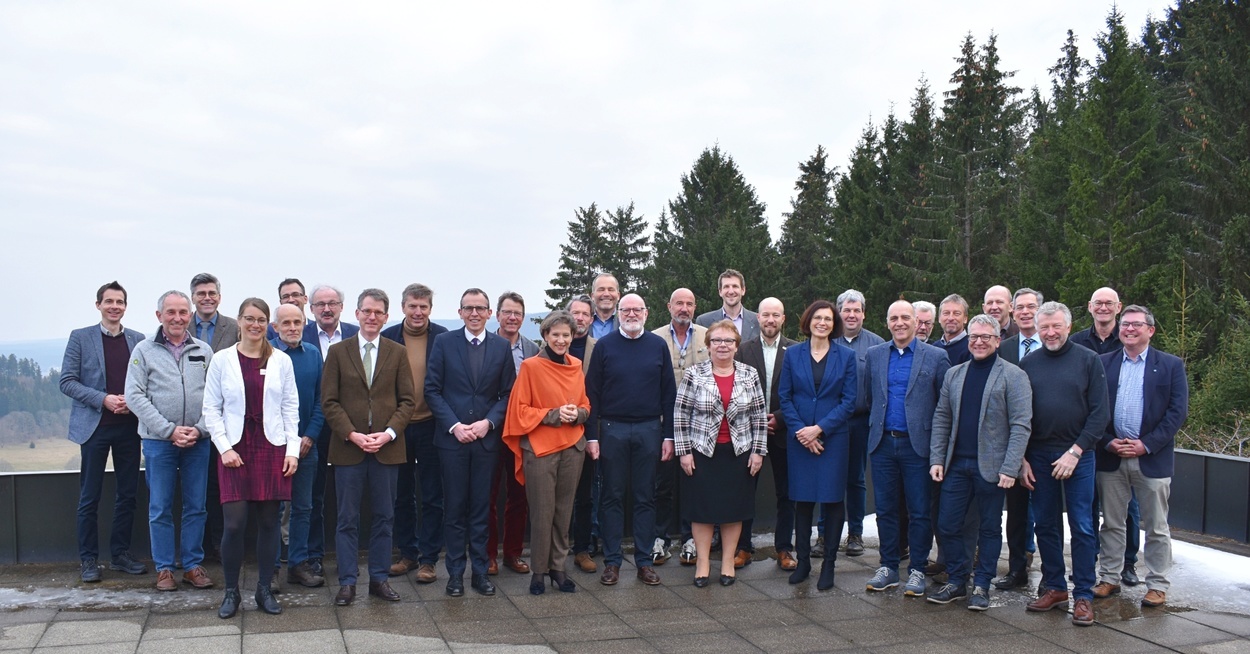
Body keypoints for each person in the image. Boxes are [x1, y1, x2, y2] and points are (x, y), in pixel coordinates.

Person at [202, 299, 301, 618]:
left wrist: (292, 451)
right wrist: (223, 448)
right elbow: (211, 409)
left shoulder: (281, 361)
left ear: (268, 324)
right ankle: (231, 593)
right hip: (234, 447)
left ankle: (263, 591)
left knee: (270, 522)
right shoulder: (222, 359)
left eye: (261, 319)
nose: (255, 325)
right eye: (249, 318)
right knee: (234, 524)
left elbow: (290, 408)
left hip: (272, 447)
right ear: (240, 321)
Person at [927, 314, 1032, 609]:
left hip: (994, 468)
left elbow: (1021, 424)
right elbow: (942, 418)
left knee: (989, 528)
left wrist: (1011, 467)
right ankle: (958, 579)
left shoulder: (1014, 375)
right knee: (947, 524)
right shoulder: (955, 374)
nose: (979, 342)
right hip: (956, 465)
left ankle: (982, 584)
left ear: (998, 341)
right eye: (974, 336)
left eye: (986, 337)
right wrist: (937, 458)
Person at [322, 289, 416, 606]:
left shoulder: (397, 352)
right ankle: (348, 582)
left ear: (386, 316)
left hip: (387, 449)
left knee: (384, 517)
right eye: (366, 311)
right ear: (357, 314)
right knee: (347, 518)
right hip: (348, 449)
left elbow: (407, 401)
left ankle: (379, 579)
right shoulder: (338, 352)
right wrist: (352, 434)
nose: (372, 317)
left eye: (378, 312)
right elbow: (329, 402)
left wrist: (388, 433)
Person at [1020, 302, 1109, 626]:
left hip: (1079, 455)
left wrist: (1075, 452)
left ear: (1069, 327)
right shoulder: (1028, 363)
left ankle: (1083, 594)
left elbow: (1100, 414)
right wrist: (1023, 459)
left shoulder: (1088, 360)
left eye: (1056, 326)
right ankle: (1055, 586)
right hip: (1039, 455)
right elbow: (1021, 416)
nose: (1050, 332)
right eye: (1045, 327)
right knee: (1044, 524)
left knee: (1083, 525)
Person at [1093, 305, 1188, 608]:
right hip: (1112, 456)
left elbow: (1177, 413)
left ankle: (1158, 584)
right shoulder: (1102, 363)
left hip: (1151, 457)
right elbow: (1093, 409)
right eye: (1125, 325)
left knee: (1156, 526)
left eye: (1136, 324)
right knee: (1111, 523)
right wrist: (1108, 442)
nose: (1129, 329)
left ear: (1151, 330)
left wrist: (1145, 445)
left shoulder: (1171, 365)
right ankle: (1109, 578)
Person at [425, 288, 516, 597]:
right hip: (452, 442)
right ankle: (453, 574)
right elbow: (432, 390)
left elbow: (507, 394)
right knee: (454, 510)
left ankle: (480, 572)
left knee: (480, 509)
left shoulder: (501, 347)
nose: (474, 313)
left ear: (490, 313)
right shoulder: (444, 343)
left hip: (485, 443)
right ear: (460, 312)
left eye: (480, 308)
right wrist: (454, 426)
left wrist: (488, 422)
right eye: (468, 308)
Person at [585, 293, 677, 587]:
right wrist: (592, 437)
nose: (632, 314)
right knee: (611, 496)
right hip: (612, 429)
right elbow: (592, 395)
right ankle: (612, 562)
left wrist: (668, 436)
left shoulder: (658, 346)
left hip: (650, 429)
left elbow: (668, 395)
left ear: (647, 314)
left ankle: (644, 562)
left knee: (644, 497)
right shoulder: (604, 347)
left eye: (638, 309)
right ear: (619, 314)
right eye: (626, 310)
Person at [125, 290, 215, 592]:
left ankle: (192, 565)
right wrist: (168, 430)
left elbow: (215, 397)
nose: (177, 318)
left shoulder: (203, 350)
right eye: (171, 312)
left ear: (190, 315)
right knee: (160, 507)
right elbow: (135, 396)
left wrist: (200, 429)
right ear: (159, 315)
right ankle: (164, 569)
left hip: (197, 441)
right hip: (158, 442)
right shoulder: (143, 350)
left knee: (196, 506)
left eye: (183, 312)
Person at [60, 281, 148, 583]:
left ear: (125, 306)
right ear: (98, 305)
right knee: (90, 496)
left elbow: (145, 382)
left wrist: (131, 403)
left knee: (127, 495)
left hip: (128, 428)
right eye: (108, 301)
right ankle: (88, 560)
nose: (114, 306)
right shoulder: (80, 338)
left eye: (119, 302)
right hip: (94, 428)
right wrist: (104, 399)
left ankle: (120, 554)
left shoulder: (138, 340)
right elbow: (67, 381)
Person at [863, 301, 951, 597]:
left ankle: (916, 569)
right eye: (893, 318)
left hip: (919, 446)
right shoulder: (874, 355)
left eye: (905, 318)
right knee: (886, 509)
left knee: (919, 511)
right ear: (887, 323)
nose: (899, 323)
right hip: (883, 443)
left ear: (917, 322)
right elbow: (869, 396)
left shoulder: (937, 357)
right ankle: (888, 566)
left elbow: (945, 405)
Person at [502, 311, 591, 595]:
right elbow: (520, 411)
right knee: (542, 512)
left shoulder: (575, 365)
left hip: (572, 448)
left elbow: (586, 404)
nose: (561, 340)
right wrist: (553, 414)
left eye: (566, 335)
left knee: (564, 513)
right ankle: (538, 572)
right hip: (540, 449)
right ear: (545, 336)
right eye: (556, 335)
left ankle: (558, 569)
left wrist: (577, 413)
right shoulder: (530, 367)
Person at [674, 321, 767, 587]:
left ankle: (727, 562)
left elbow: (759, 416)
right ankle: (703, 562)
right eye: (717, 341)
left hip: (739, 453)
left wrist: (758, 451)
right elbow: (680, 414)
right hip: (702, 452)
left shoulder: (749, 374)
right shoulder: (694, 374)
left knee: (732, 510)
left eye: (728, 341)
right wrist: (684, 452)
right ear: (708, 345)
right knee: (701, 511)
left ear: (737, 346)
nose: (722, 346)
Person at [778, 300, 857, 590]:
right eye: (817, 318)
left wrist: (819, 429)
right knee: (802, 501)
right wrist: (802, 432)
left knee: (833, 501)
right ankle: (804, 563)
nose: (822, 322)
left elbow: (849, 401)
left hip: (832, 439)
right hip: (799, 440)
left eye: (827, 319)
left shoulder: (846, 357)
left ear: (833, 324)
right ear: (808, 321)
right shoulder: (793, 354)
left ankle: (829, 565)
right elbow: (785, 397)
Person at [1071, 286, 1141, 587]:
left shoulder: (1127, 339)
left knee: (1127, 509)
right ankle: (1090, 563)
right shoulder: (1076, 343)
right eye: (1097, 303)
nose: (1102, 308)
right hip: (1089, 439)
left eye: (1108, 303)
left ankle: (1128, 564)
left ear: (1118, 307)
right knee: (1088, 507)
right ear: (1089, 306)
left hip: (1122, 440)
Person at [382, 284, 448, 585]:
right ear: (403, 307)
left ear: (430, 309)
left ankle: (429, 559)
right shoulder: (388, 337)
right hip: (398, 427)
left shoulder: (444, 338)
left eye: (423, 307)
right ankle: (406, 554)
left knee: (433, 495)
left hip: (433, 425)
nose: (418, 312)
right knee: (401, 495)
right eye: (412, 306)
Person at [735, 297, 798, 571]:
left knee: (787, 494)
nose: (770, 320)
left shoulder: (797, 350)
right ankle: (743, 547)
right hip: (750, 432)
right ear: (757, 318)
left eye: (776, 315)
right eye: (766, 315)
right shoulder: (743, 350)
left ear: (783, 318)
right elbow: (736, 389)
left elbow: (802, 391)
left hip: (784, 431)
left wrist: (781, 418)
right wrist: (758, 419)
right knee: (745, 491)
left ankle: (784, 548)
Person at [304, 284, 359, 580]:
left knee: (348, 495)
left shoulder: (355, 334)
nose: (327, 308)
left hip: (349, 428)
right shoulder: (301, 335)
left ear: (342, 306)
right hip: (314, 427)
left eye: (332, 303)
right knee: (313, 494)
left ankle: (346, 557)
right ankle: (313, 556)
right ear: (311, 309)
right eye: (320, 304)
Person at [270, 304, 326, 589]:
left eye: (298, 322)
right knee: (274, 510)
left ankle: (297, 564)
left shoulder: (313, 355)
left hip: (306, 445)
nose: (293, 327)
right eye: (286, 323)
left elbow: (321, 400)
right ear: (275, 326)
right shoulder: (266, 354)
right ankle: (272, 569)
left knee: (304, 507)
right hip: (274, 447)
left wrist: (311, 436)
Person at [653, 288, 709, 567]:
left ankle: (691, 538)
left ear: (695, 307)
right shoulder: (654, 338)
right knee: (662, 484)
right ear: (669, 306)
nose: (684, 308)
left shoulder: (706, 336)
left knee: (693, 483)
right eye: (679, 304)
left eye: (689, 304)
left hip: (698, 425)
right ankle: (660, 538)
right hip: (663, 423)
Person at [994, 287, 1044, 591]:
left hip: (1049, 440)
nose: (1026, 312)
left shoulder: (1054, 344)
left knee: (1048, 514)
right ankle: (1017, 569)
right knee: (1016, 512)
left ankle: (1054, 574)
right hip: (1013, 441)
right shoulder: (1005, 348)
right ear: (1012, 312)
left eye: (1032, 306)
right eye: (1020, 308)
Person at [486, 291, 536, 576]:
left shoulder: (532, 349)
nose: (512, 317)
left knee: (519, 496)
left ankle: (513, 554)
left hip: (522, 432)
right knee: (488, 496)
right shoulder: (487, 345)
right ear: (497, 315)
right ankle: (490, 555)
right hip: (491, 430)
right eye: (507, 312)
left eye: (517, 313)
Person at [190, 273, 238, 564]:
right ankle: (199, 548)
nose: (207, 297)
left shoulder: (233, 328)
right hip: (191, 420)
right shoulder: (182, 326)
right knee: (197, 487)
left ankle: (222, 545)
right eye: (201, 293)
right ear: (193, 297)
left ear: (219, 297)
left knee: (222, 486)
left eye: (212, 293)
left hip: (226, 422)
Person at [832, 289, 883, 558]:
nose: (851, 315)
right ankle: (826, 533)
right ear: (839, 312)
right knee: (829, 477)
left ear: (864, 313)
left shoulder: (877, 345)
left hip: (861, 422)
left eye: (856, 310)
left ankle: (855, 534)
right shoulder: (827, 340)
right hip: (830, 424)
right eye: (846, 310)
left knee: (856, 479)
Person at [565, 294, 602, 574]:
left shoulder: (599, 348)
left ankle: (582, 549)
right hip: (552, 430)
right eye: (575, 313)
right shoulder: (548, 346)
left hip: (586, 430)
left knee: (585, 495)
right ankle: (554, 550)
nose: (580, 318)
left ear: (592, 319)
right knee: (554, 495)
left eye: (585, 314)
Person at [696, 269, 761, 342]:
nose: (731, 291)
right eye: (726, 287)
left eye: (735, 286)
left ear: (743, 290)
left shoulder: (758, 321)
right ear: (720, 292)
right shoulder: (704, 321)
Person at [933, 294, 971, 366]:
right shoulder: (934, 347)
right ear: (939, 318)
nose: (950, 318)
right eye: (946, 313)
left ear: (965, 319)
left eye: (956, 313)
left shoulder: (972, 347)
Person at [589, 273, 620, 339]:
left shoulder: (625, 322)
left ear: (618, 296)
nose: (606, 294)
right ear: (592, 296)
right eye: (601, 289)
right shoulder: (584, 321)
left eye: (611, 290)